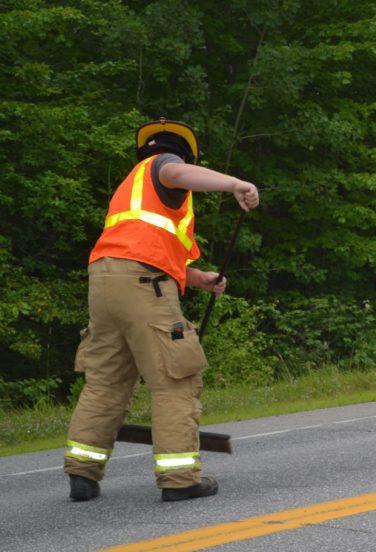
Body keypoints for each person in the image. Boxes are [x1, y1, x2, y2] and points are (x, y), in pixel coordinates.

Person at [64, 118, 259, 502]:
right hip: (141, 285)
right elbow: (175, 171)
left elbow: (141, 252)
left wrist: (198, 277)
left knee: (105, 381)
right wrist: (236, 183)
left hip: (104, 281)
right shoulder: (162, 166)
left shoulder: (131, 192)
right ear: (184, 154)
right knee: (175, 380)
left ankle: (82, 475)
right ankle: (180, 479)